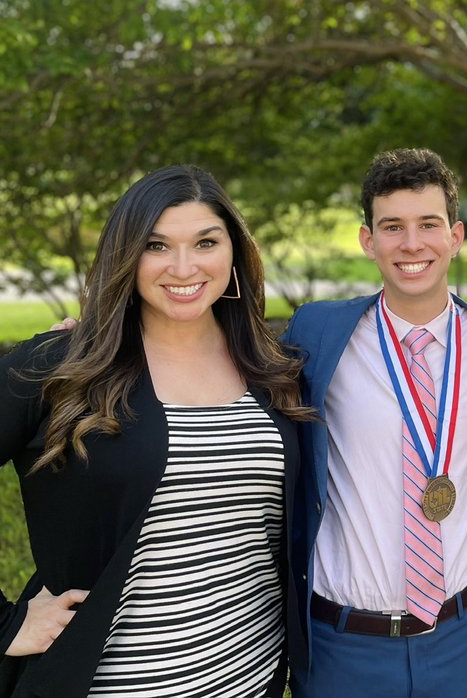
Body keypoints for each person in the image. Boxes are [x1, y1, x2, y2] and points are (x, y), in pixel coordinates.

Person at [0, 165, 311, 697]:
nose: (184, 266)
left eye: (205, 242)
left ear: (233, 252)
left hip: (250, 679)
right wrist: (6, 624)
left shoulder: (275, 369)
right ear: (126, 256)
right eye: (157, 245)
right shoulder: (60, 369)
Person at [283, 148, 467, 697]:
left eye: (429, 224)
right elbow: (227, 367)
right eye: (392, 227)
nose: (412, 244)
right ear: (367, 240)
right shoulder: (318, 332)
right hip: (343, 644)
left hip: (462, 637)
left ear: (457, 235)